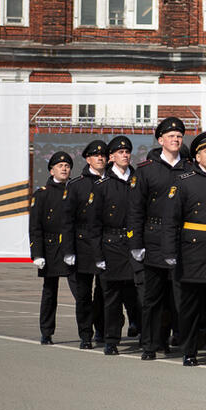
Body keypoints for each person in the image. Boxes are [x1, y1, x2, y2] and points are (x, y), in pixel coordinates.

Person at [127, 117, 187, 361]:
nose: (175, 139)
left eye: (179, 136)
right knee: (153, 297)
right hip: (154, 239)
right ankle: (150, 343)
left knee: (179, 296)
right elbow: (135, 210)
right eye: (170, 136)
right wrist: (136, 244)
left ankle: (176, 338)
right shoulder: (146, 171)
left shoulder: (188, 168)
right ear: (161, 140)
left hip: (183, 240)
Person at [165, 131, 206, 366]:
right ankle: (189, 349)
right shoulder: (185, 181)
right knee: (191, 305)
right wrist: (170, 252)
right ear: (197, 157)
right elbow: (171, 220)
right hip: (193, 252)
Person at [85, 136, 139, 355]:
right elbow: (94, 224)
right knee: (112, 298)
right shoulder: (102, 185)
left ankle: (144, 333)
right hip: (111, 245)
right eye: (120, 152)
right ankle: (111, 339)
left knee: (137, 296)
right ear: (112, 157)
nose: (125, 155)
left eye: (127, 151)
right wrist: (98, 255)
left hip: (133, 245)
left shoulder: (137, 181)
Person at [29, 151, 76, 345]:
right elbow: (35, 226)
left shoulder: (75, 190)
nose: (64, 168)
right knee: (50, 292)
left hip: (72, 247)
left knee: (80, 292)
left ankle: (89, 331)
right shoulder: (42, 193)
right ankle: (46, 331)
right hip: (50, 248)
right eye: (59, 166)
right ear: (51, 170)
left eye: (66, 166)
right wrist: (37, 254)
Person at [66, 140, 109, 348]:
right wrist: (68, 250)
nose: (100, 158)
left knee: (104, 293)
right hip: (82, 245)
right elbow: (67, 221)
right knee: (83, 295)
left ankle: (102, 329)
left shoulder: (113, 181)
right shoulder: (76, 185)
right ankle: (85, 334)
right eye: (96, 155)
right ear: (88, 158)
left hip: (106, 244)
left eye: (103, 155)